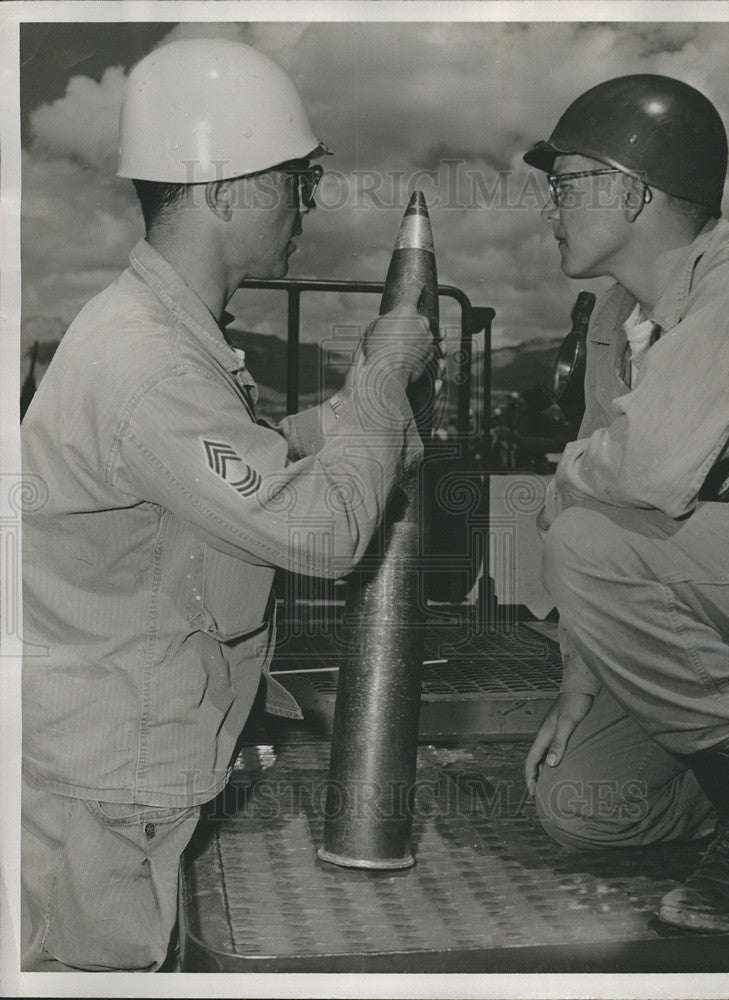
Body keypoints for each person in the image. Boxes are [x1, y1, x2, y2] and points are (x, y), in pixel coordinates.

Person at [20, 37, 441, 971]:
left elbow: (235, 473)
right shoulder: (152, 364)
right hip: (105, 788)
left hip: (114, 762)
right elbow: (322, 534)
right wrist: (380, 378)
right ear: (225, 188)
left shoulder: (160, 338)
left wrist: (352, 420)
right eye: (297, 179)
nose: (306, 205)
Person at [521, 75, 729, 933]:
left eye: (565, 183)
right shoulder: (615, 319)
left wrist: (566, 481)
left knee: (589, 538)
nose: (548, 207)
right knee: (584, 807)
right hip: (726, 613)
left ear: (631, 192)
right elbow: (618, 477)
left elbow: (652, 467)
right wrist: (580, 680)